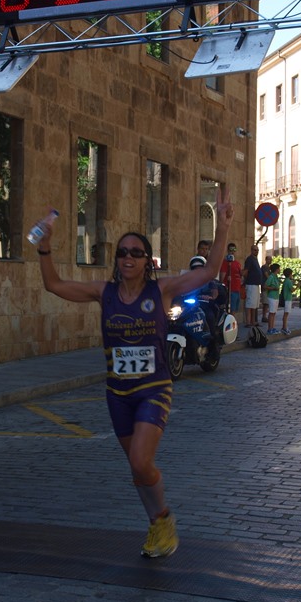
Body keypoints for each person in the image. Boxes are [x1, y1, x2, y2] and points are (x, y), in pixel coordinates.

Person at [36, 186, 234, 559]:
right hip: (118, 394)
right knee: (136, 468)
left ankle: (164, 520)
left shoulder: (162, 290)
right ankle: (157, 524)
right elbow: (54, 285)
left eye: (136, 253)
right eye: (123, 252)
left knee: (142, 460)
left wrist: (222, 227)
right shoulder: (104, 292)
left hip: (153, 388)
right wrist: (44, 248)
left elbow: (209, 271)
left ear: (147, 261)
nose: (128, 257)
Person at [242, 245, 263, 329]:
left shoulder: (255, 259)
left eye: (257, 250)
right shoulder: (249, 259)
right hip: (251, 284)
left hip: (256, 284)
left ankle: (253, 321)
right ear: (251, 250)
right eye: (255, 250)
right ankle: (248, 321)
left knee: (254, 304)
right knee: (250, 303)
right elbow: (246, 271)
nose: (256, 251)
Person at [219, 243, 242, 316]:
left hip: (237, 289)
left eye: (234, 250)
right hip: (230, 290)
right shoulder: (225, 262)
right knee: (231, 310)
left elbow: (240, 275)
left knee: (235, 310)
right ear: (228, 250)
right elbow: (222, 277)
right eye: (231, 250)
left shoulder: (237, 263)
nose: (232, 251)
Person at [264, 263, 281, 334]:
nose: (280, 270)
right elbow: (265, 286)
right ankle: (269, 328)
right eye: (279, 268)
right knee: (271, 313)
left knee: (274, 313)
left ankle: (272, 327)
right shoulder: (271, 277)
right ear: (276, 269)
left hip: (276, 296)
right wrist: (273, 288)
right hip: (271, 297)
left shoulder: (276, 277)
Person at [279, 267, 295, 334]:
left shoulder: (286, 281)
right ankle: (284, 327)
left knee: (286, 313)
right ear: (290, 274)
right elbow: (292, 290)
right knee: (286, 314)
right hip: (287, 299)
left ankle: (284, 327)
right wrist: (298, 286)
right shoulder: (288, 281)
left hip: (286, 298)